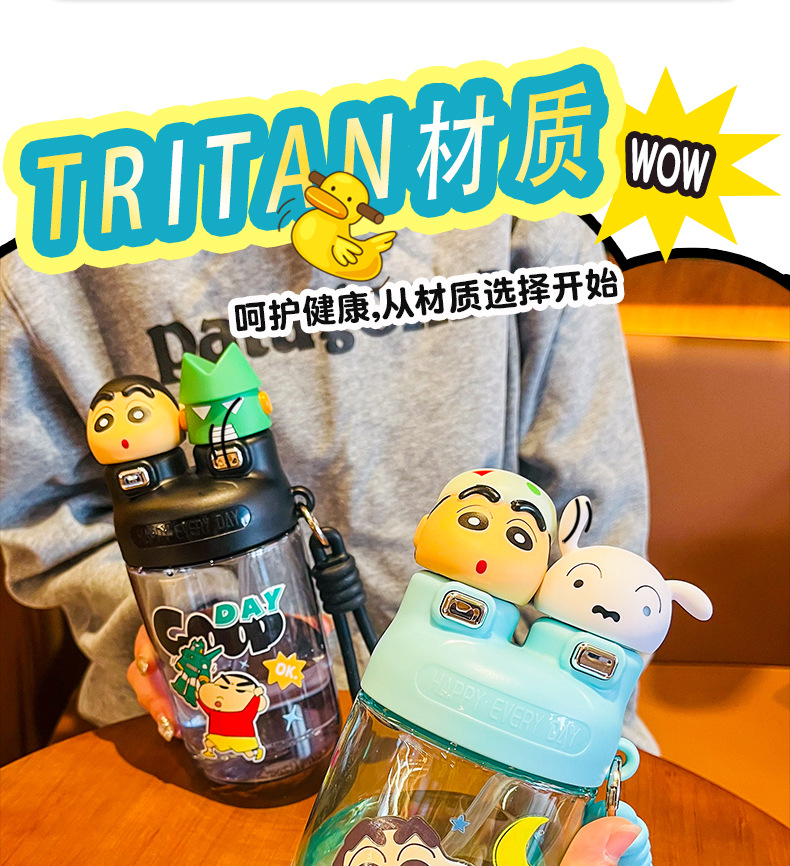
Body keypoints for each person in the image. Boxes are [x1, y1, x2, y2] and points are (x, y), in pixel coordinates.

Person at [0, 213, 653, 751]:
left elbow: (596, 543)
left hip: (505, 721)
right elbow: (47, 518)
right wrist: (172, 617)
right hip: (202, 718)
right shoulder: (52, 210)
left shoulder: (522, 180)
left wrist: (542, 696)